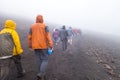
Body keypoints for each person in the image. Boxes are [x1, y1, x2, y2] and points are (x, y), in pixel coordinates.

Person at [28, 15, 53, 80]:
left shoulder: (32, 26)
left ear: (36, 19)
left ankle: (41, 74)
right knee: (45, 59)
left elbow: (29, 37)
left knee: (38, 60)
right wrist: (51, 45)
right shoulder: (45, 26)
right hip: (43, 46)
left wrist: (30, 45)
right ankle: (41, 74)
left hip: (35, 46)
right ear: (42, 19)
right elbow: (48, 36)